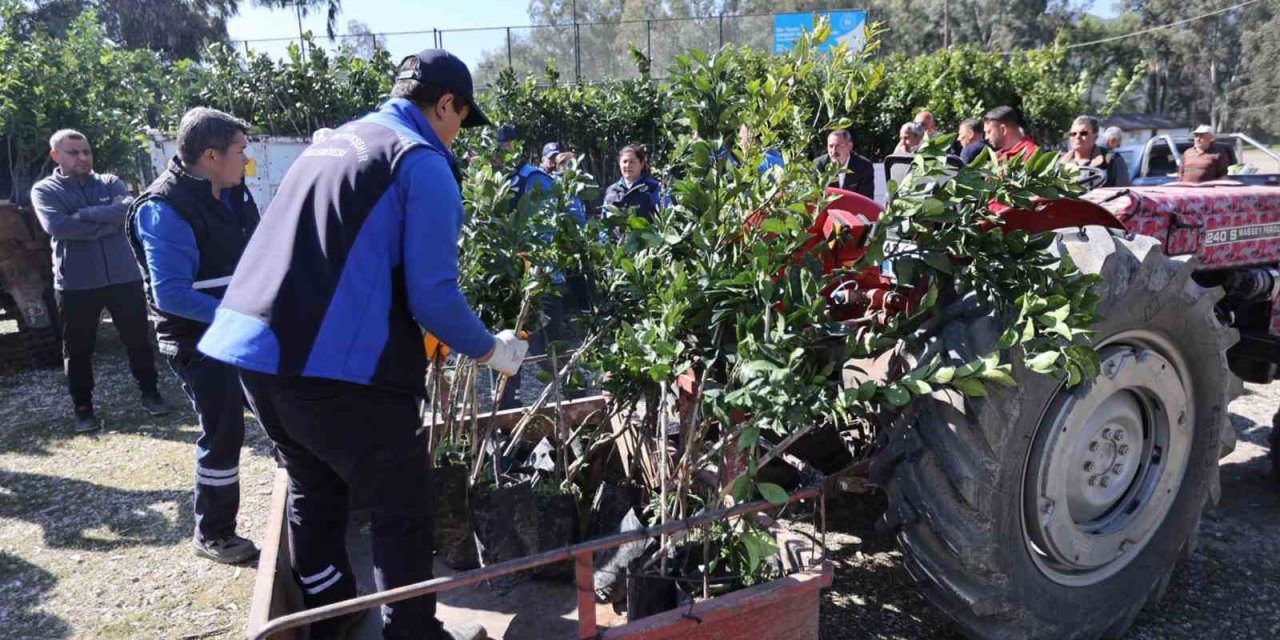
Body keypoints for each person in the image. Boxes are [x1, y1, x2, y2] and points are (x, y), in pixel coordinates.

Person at [197, 50, 520, 640]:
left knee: (314, 489)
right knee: (403, 509)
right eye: (457, 119)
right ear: (445, 104)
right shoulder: (420, 161)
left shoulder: (333, 143)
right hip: (332, 371)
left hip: (255, 355)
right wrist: (490, 350)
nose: (454, 137)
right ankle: (411, 634)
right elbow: (435, 298)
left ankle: (333, 620)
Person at [124, 107, 259, 565]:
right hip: (198, 340)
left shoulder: (235, 192)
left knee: (281, 410)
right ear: (210, 155)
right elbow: (173, 294)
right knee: (223, 431)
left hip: (243, 329)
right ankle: (214, 533)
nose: (246, 159)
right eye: (240, 151)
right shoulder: (163, 209)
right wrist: (240, 316)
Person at [31, 129, 169, 433]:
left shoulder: (109, 182)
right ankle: (83, 409)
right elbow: (58, 226)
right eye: (74, 152)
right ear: (56, 156)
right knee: (78, 350)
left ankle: (150, 392)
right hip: (76, 284)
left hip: (124, 277)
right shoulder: (45, 190)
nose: (83, 157)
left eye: (86, 151)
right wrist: (105, 222)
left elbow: (128, 210)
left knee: (138, 341)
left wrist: (86, 214)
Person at [1059, 115, 1130, 187]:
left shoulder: (1112, 161)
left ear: (1095, 137)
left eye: (1083, 133)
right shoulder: (1059, 163)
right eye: (1073, 134)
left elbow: (1123, 194)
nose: (1077, 137)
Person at [603, 144, 661, 221]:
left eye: (632, 162)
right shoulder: (611, 190)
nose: (628, 165)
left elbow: (664, 217)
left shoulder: (653, 187)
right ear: (619, 164)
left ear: (642, 164)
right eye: (624, 161)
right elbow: (604, 223)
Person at [814, 129, 874, 200]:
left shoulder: (864, 166)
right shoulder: (819, 165)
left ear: (850, 146)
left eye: (838, 146)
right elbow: (815, 196)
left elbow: (866, 199)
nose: (833, 151)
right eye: (831, 146)